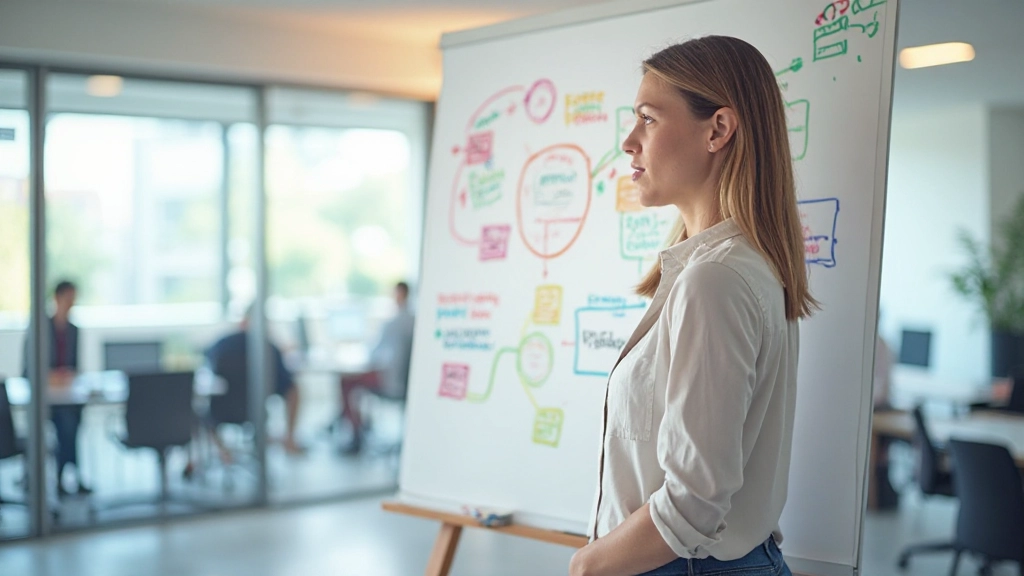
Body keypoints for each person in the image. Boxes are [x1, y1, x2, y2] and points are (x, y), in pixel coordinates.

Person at [570, 37, 816, 576]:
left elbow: (693, 502)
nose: (629, 142)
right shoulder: (733, 268)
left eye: (648, 119)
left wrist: (586, 566)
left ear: (718, 130)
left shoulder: (715, 280)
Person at [22, 280, 92, 496]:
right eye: (68, 299)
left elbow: (75, 366)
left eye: (73, 300)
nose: (71, 304)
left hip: (67, 394)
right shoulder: (40, 328)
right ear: (57, 298)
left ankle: (65, 476)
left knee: (73, 419)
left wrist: (69, 375)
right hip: (45, 398)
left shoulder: (73, 330)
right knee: (67, 423)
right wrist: (48, 377)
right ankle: (66, 475)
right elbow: (27, 369)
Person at [204, 306, 304, 454]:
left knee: (201, 411)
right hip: (257, 410)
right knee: (294, 389)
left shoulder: (222, 344)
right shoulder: (268, 347)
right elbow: (289, 386)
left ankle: (223, 452)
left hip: (220, 411)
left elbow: (206, 373)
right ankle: (289, 440)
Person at [339, 281, 415, 455]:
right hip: (406, 382)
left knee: (347, 382)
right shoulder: (415, 320)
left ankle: (356, 433)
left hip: (390, 380)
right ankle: (360, 425)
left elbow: (374, 354)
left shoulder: (393, 323)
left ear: (400, 295)